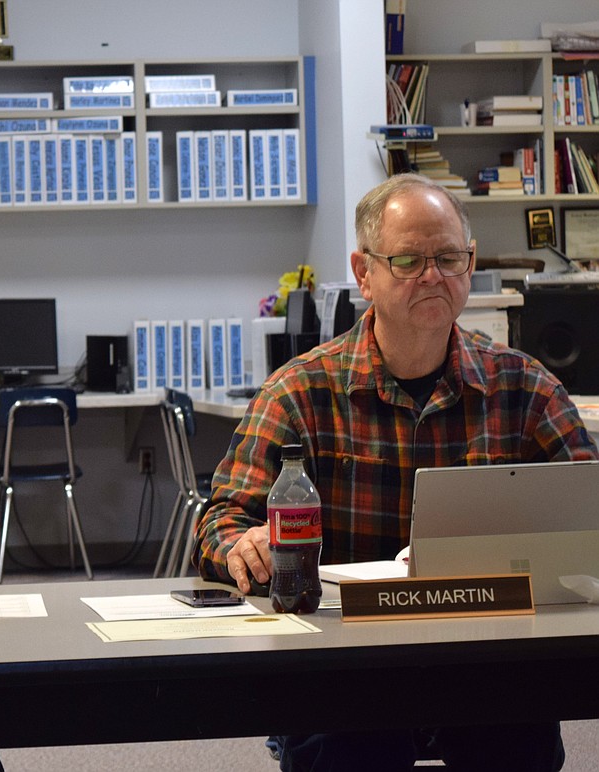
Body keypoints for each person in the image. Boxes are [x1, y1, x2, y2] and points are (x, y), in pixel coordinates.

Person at [195, 173, 597, 772]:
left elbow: (588, 507)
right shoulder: (301, 390)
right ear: (364, 273)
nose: (433, 275)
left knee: (519, 744)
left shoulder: (524, 386)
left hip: (485, 664)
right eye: (408, 260)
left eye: (449, 258)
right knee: (352, 748)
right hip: (343, 670)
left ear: (471, 263)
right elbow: (219, 521)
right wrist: (242, 546)